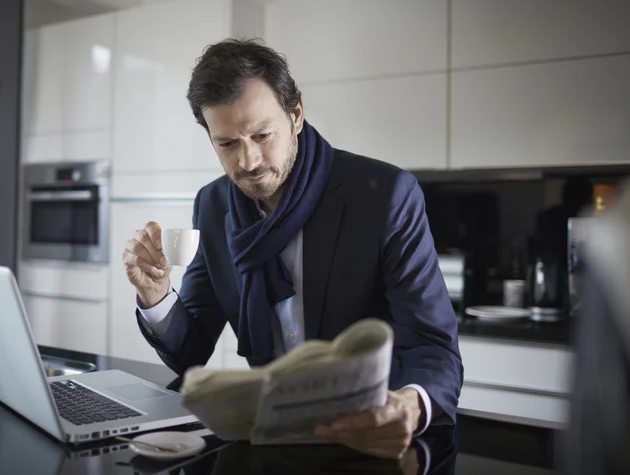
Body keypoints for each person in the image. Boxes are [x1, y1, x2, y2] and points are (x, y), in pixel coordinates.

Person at [123, 38, 463, 459]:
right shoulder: (212, 206)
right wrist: (155, 296)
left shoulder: (386, 194)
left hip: (370, 434)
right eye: (226, 144)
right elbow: (191, 352)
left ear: (296, 114)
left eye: (262, 135)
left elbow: (432, 344)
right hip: (268, 438)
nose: (248, 161)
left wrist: (409, 405)